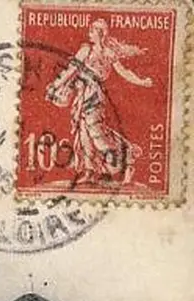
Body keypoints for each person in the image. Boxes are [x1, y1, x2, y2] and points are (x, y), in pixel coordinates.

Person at [45, 18, 153, 186]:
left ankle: (127, 158)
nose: (89, 33)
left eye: (93, 31)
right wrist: (55, 86)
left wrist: (141, 81)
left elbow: (123, 72)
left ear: (101, 34)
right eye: (90, 30)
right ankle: (89, 171)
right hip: (82, 94)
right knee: (83, 134)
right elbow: (71, 70)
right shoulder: (85, 50)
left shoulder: (109, 53)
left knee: (96, 133)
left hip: (94, 95)